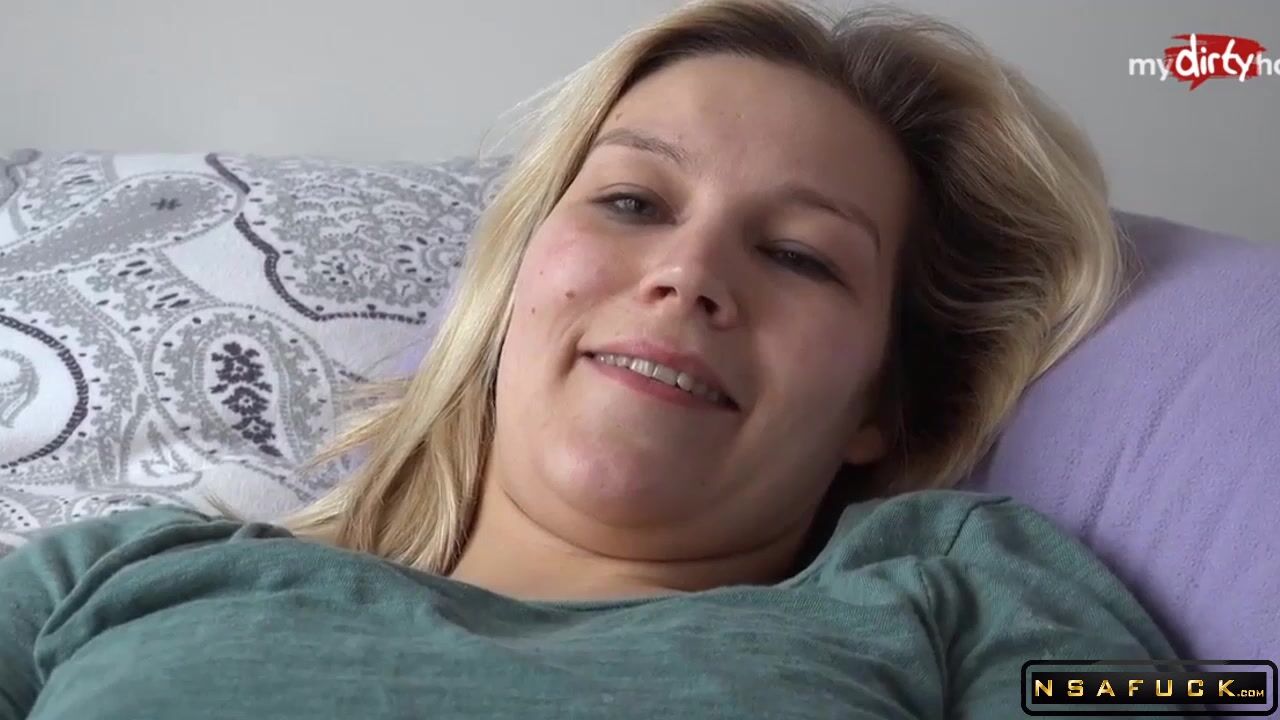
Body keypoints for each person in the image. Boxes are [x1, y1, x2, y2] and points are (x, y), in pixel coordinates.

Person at [0, 1, 1195, 718]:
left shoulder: (955, 590)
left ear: (875, 406)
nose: (687, 273)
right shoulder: (110, 575)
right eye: (631, 201)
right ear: (513, 277)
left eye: (798, 256)